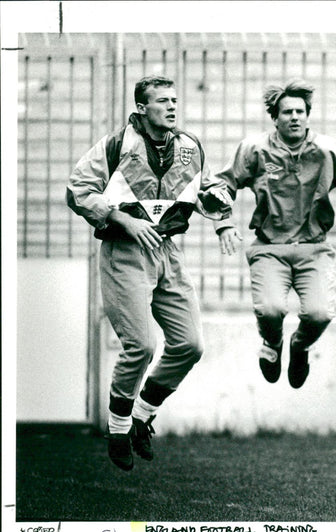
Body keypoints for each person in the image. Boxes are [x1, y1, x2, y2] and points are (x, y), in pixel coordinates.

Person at [67, 76, 232, 471]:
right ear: (142, 108)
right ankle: (119, 426)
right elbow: (78, 190)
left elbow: (206, 189)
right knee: (140, 345)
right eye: (162, 101)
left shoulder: (189, 147)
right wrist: (122, 219)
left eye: (175, 99)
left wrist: (222, 217)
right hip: (125, 252)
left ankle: (142, 415)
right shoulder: (117, 145)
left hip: (166, 251)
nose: (172, 107)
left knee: (190, 344)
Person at [214, 79, 336, 389]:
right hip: (269, 247)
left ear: (308, 114)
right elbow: (220, 187)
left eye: (300, 111)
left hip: (313, 248)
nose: (294, 117)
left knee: (319, 314)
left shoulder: (329, 150)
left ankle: (299, 347)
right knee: (271, 309)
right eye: (287, 112)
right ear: (274, 118)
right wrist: (223, 223)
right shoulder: (254, 150)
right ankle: (273, 343)